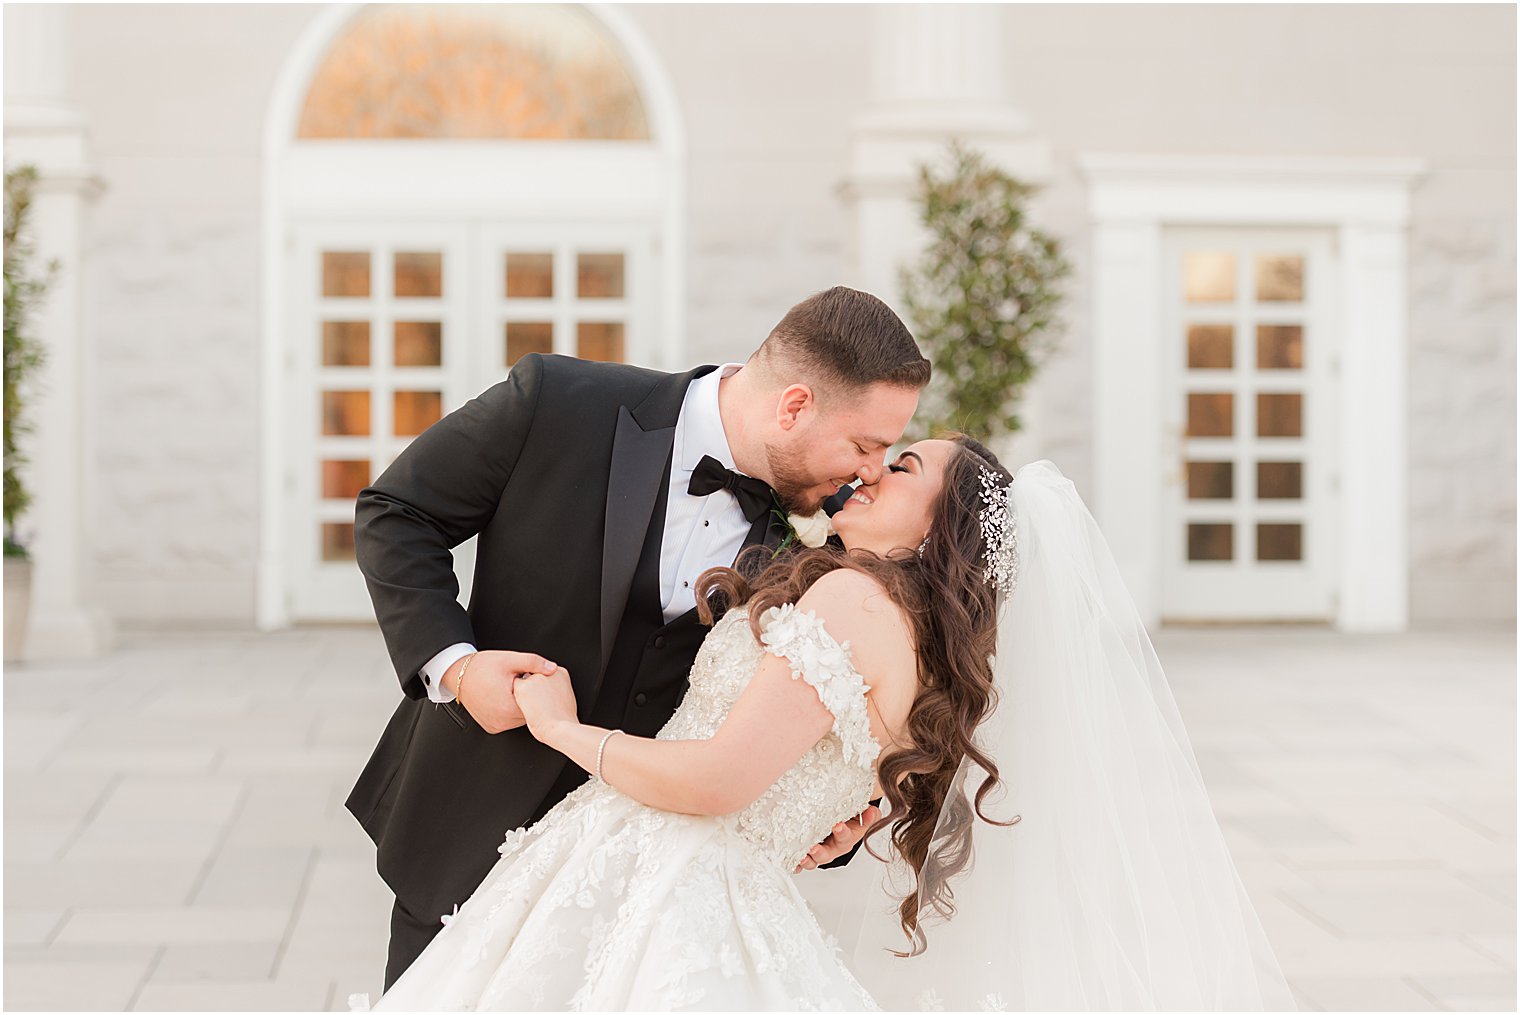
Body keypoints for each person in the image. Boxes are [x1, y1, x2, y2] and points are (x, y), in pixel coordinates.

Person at [355, 437, 1298, 1011]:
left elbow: (716, 780)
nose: (878, 469)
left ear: (940, 528)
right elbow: (849, 773)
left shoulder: (852, 600)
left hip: (673, 873)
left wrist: (559, 727)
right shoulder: (923, 640)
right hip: (711, 879)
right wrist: (850, 812)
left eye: (908, 466)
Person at [345, 286, 930, 991]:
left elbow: (801, 718)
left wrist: (839, 823)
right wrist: (459, 670)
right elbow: (397, 510)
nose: (870, 469)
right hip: (468, 830)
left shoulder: (826, 545)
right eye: (865, 444)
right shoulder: (558, 401)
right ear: (795, 406)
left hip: (645, 907)